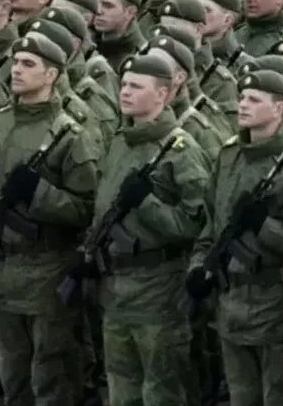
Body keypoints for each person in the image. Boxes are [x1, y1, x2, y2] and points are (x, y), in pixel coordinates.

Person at [0, 34, 101, 406]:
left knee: (51, 377)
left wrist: (40, 193)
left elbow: (88, 210)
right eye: (15, 62)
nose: (16, 70)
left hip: (48, 271)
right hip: (1, 270)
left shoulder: (70, 134)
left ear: (52, 74)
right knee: (13, 377)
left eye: (28, 64)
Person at [186, 70, 283, 406]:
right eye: (241, 98)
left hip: (280, 309)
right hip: (231, 306)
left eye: (253, 99)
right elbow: (211, 224)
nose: (243, 105)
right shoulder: (229, 156)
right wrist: (198, 266)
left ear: (279, 108)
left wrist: (266, 226)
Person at [93, 53, 209, 406]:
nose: (125, 92)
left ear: (162, 94)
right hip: (115, 284)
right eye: (124, 84)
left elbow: (198, 224)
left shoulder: (180, 150)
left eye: (136, 86)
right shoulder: (120, 141)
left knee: (161, 390)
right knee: (121, 385)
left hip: (158, 287)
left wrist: (148, 204)